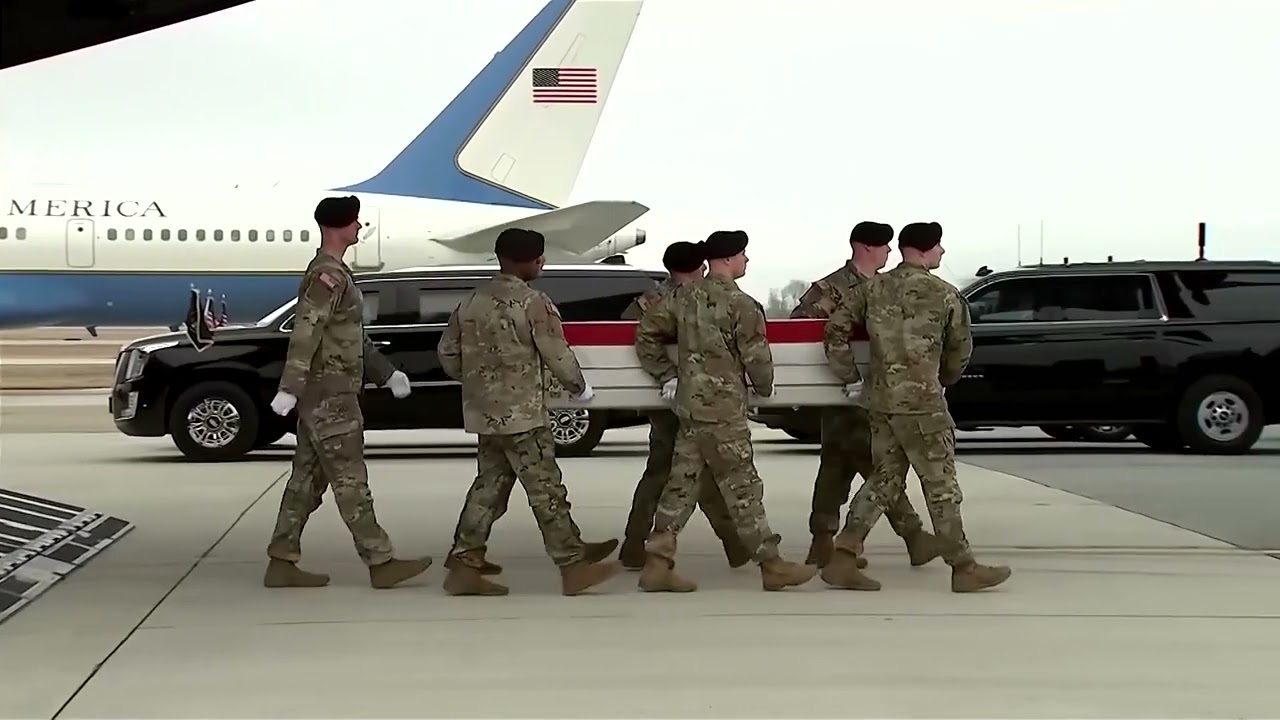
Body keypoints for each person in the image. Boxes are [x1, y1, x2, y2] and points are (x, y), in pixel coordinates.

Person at [820, 221, 1012, 593]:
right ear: (925, 250)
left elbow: (834, 331)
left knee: (884, 480)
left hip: (882, 402)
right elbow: (960, 350)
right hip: (924, 406)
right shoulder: (944, 294)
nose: (942, 252)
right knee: (941, 486)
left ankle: (843, 555)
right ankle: (963, 566)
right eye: (939, 246)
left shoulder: (872, 288)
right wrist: (944, 379)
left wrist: (850, 377)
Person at [437, 227, 623, 597]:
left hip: (485, 414)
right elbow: (556, 351)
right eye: (540, 257)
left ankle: (464, 562)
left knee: (489, 488)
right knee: (546, 489)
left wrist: (480, 382)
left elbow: (447, 353)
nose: (543, 262)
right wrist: (579, 387)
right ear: (531, 261)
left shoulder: (471, 301)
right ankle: (572, 565)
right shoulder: (533, 302)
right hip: (523, 415)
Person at [634, 230, 817, 592]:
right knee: (743, 487)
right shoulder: (742, 304)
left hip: (690, 408)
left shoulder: (682, 297)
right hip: (724, 411)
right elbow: (757, 357)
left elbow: (646, 335)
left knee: (681, 485)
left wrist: (667, 374)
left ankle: (657, 562)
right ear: (730, 259)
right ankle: (771, 564)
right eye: (743, 254)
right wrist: (764, 388)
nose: (746, 260)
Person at [264, 195, 431, 590]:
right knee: (350, 479)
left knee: (306, 482)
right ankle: (380, 560)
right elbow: (306, 332)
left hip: (329, 392)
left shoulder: (337, 273)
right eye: (355, 221)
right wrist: (290, 387)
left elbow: (350, 335)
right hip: (330, 396)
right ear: (340, 226)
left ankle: (281, 560)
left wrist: (386, 373)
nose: (359, 227)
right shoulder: (327, 275)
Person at [790, 222, 941, 570]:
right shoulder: (831, 289)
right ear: (867, 248)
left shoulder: (883, 286)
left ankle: (823, 542)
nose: (889, 251)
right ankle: (912, 536)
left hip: (872, 392)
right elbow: (803, 333)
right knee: (877, 467)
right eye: (884, 246)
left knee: (837, 464)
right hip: (844, 392)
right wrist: (847, 375)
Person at [618, 241, 752, 570]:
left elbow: (626, 334)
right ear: (700, 267)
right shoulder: (697, 298)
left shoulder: (647, 301)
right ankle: (733, 543)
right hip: (697, 398)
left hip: (663, 397)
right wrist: (669, 374)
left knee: (667, 472)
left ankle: (636, 544)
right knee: (695, 472)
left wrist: (663, 376)